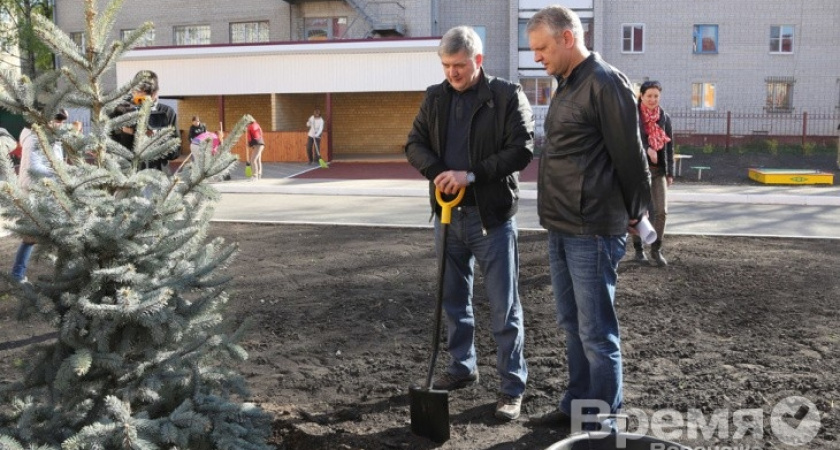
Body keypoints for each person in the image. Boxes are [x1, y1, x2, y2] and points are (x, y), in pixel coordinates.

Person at [525, 6, 651, 430]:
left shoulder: (603, 81)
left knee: (597, 333)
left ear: (566, 37)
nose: (537, 57)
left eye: (542, 48)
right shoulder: (566, 83)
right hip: (562, 225)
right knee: (571, 324)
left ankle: (602, 423)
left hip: (593, 228)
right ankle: (577, 405)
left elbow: (631, 157)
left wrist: (637, 212)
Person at [405, 25, 534, 421]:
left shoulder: (506, 96)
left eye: (459, 65)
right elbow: (414, 144)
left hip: (491, 218)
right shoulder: (435, 98)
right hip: (447, 216)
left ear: (478, 61)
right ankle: (462, 367)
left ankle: (511, 387)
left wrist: (472, 175)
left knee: (503, 306)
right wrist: (441, 173)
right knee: (453, 299)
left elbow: (522, 148)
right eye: (445, 65)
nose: (452, 73)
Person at [10, 110, 69, 282]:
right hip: (36, 192)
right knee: (31, 237)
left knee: (59, 232)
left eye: (62, 121)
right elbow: (33, 169)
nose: (60, 124)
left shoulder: (49, 135)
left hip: (49, 190)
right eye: (58, 119)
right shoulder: (34, 138)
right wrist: (60, 173)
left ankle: (63, 271)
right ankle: (17, 274)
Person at [632, 80, 674, 266]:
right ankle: (638, 249)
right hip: (638, 171)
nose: (652, 99)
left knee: (661, 211)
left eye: (656, 96)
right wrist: (648, 147)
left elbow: (670, 147)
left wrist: (670, 172)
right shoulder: (633, 115)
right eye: (649, 95)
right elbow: (629, 139)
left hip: (659, 171)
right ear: (641, 96)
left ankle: (656, 249)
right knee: (639, 211)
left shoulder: (664, 118)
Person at [112, 70, 178, 171]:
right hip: (129, 176)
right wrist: (127, 134)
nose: (143, 103)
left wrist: (156, 138)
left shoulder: (166, 113)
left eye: (148, 98)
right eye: (139, 98)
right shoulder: (121, 113)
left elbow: (175, 153)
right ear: (133, 91)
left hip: (158, 176)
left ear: (156, 93)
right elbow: (114, 152)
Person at [246, 116, 265, 180]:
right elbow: (260, 134)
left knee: (253, 160)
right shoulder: (257, 125)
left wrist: (249, 144)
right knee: (258, 159)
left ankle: (255, 175)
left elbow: (250, 137)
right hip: (261, 144)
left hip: (257, 144)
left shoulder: (250, 127)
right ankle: (259, 174)